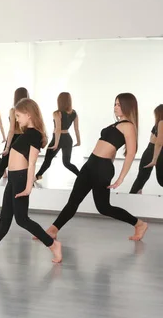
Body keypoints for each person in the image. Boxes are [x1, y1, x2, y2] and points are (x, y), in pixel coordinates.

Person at [0, 98, 62, 263]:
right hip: (13, 178)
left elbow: (32, 163)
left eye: (18, 116)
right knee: (5, 219)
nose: (16, 120)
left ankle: (52, 244)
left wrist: (28, 187)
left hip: (20, 179)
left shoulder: (35, 135)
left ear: (29, 114)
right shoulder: (27, 133)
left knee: (22, 219)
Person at [41, 93, 148, 241]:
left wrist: (121, 178)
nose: (115, 107)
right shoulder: (116, 124)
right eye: (115, 104)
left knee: (103, 208)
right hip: (91, 164)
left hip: (101, 168)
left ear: (128, 106)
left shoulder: (128, 126)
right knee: (73, 200)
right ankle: (53, 230)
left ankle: (139, 224)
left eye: (119, 104)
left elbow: (131, 153)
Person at [35, 92, 81, 180]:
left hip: (58, 139)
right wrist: (79, 141)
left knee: (47, 160)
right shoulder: (74, 113)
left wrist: (56, 144)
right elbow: (76, 129)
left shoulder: (57, 113)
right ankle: (81, 176)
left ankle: (37, 176)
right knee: (67, 163)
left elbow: (58, 129)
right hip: (68, 139)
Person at [0, 87, 29, 185]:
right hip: (26, 138)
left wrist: (7, 147)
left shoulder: (14, 110)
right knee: (26, 164)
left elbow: (12, 130)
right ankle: (30, 186)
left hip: (15, 138)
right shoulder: (30, 110)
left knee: (3, 164)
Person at [130, 104, 163, 193]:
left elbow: (159, 143)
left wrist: (154, 159)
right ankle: (136, 194)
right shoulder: (158, 124)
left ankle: (134, 195)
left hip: (153, 151)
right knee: (142, 177)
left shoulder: (161, 122)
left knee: (142, 177)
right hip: (152, 151)